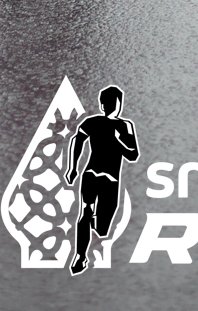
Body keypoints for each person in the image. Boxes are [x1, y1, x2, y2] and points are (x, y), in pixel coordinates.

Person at [66, 86, 139, 275]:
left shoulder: (125, 126)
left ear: (119, 104)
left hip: (108, 179)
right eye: (107, 103)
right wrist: (72, 167)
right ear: (102, 104)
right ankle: (80, 256)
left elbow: (133, 155)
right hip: (93, 174)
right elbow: (77, 140)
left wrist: (116, 141)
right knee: (85, 211)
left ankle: (92, 225)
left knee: (102, 227)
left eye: (113, 102)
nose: (110, 106)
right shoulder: (93, 122)